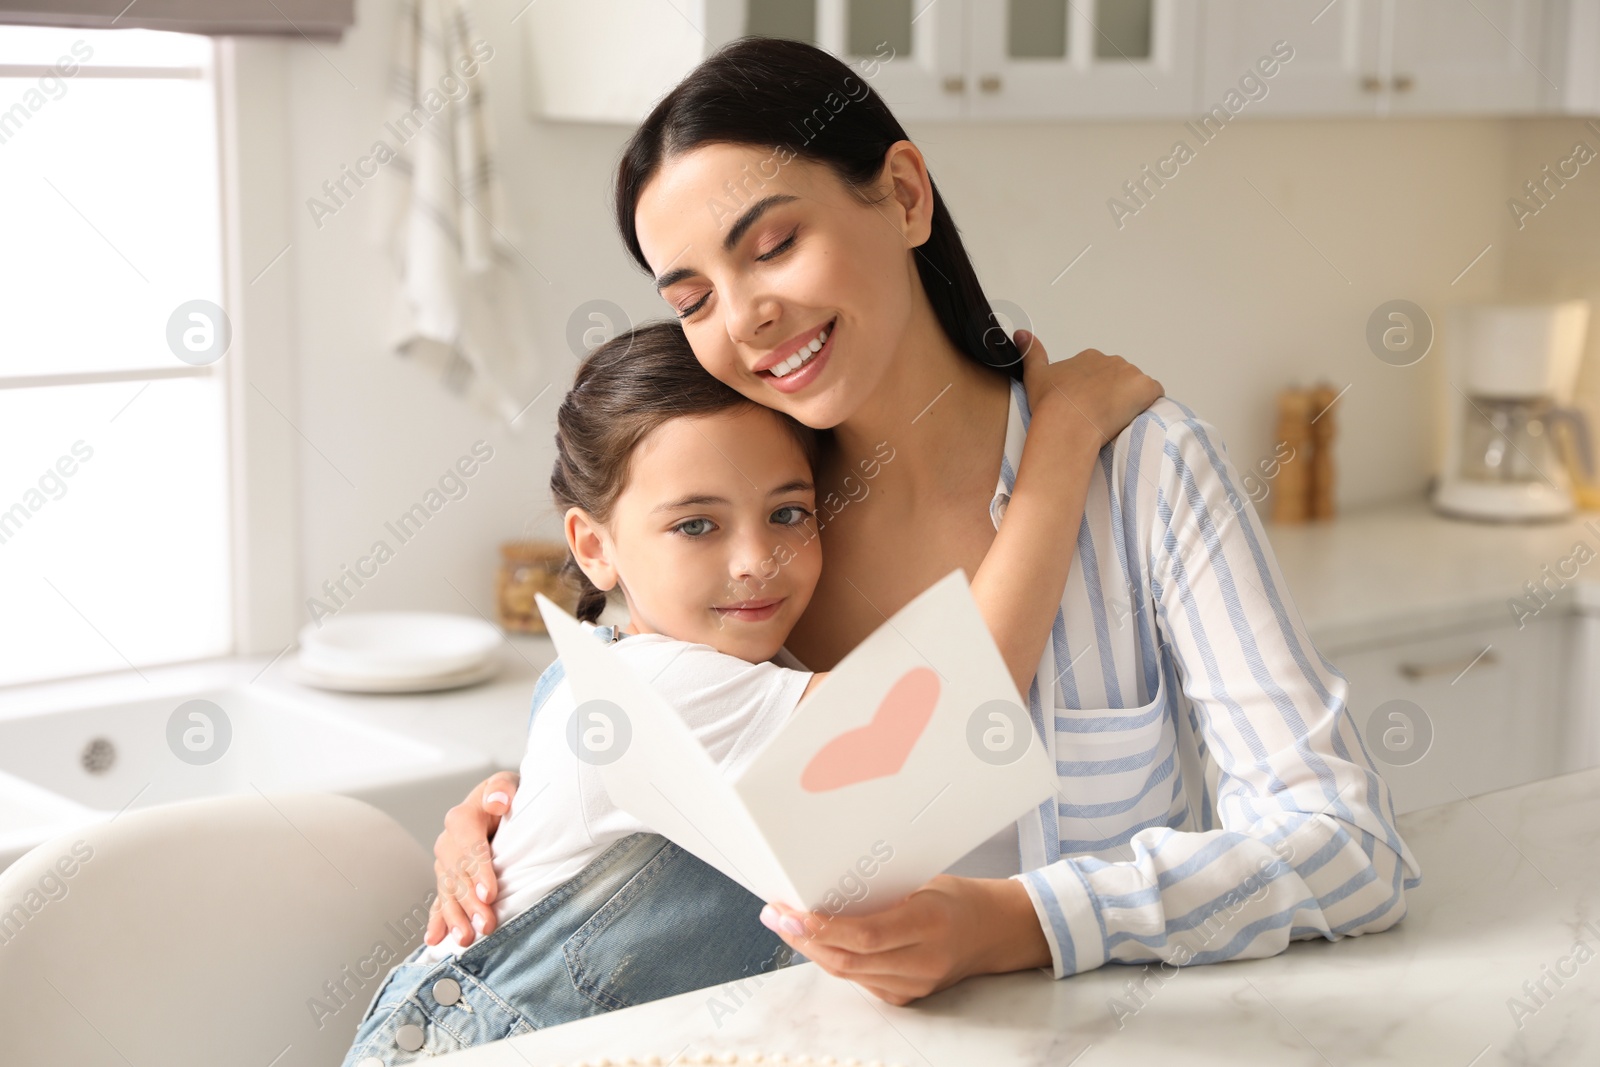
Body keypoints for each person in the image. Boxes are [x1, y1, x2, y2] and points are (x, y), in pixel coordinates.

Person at [429, 36, 1422, 1009]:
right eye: (693, 299)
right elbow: (642, 710)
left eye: (773, 246)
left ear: (904, 194)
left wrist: (1019, 922)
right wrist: (513, 811)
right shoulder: (752, 538)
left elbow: (1347, 845)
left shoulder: (1145, 472)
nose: (743, 319)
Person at [342, 318, 1157, 1064]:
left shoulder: (623, 666)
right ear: (594, 546)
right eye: (696, 524)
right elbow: (953, 710)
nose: (754, 559)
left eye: (789, 514)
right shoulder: (662, 683)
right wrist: (1065, 438)